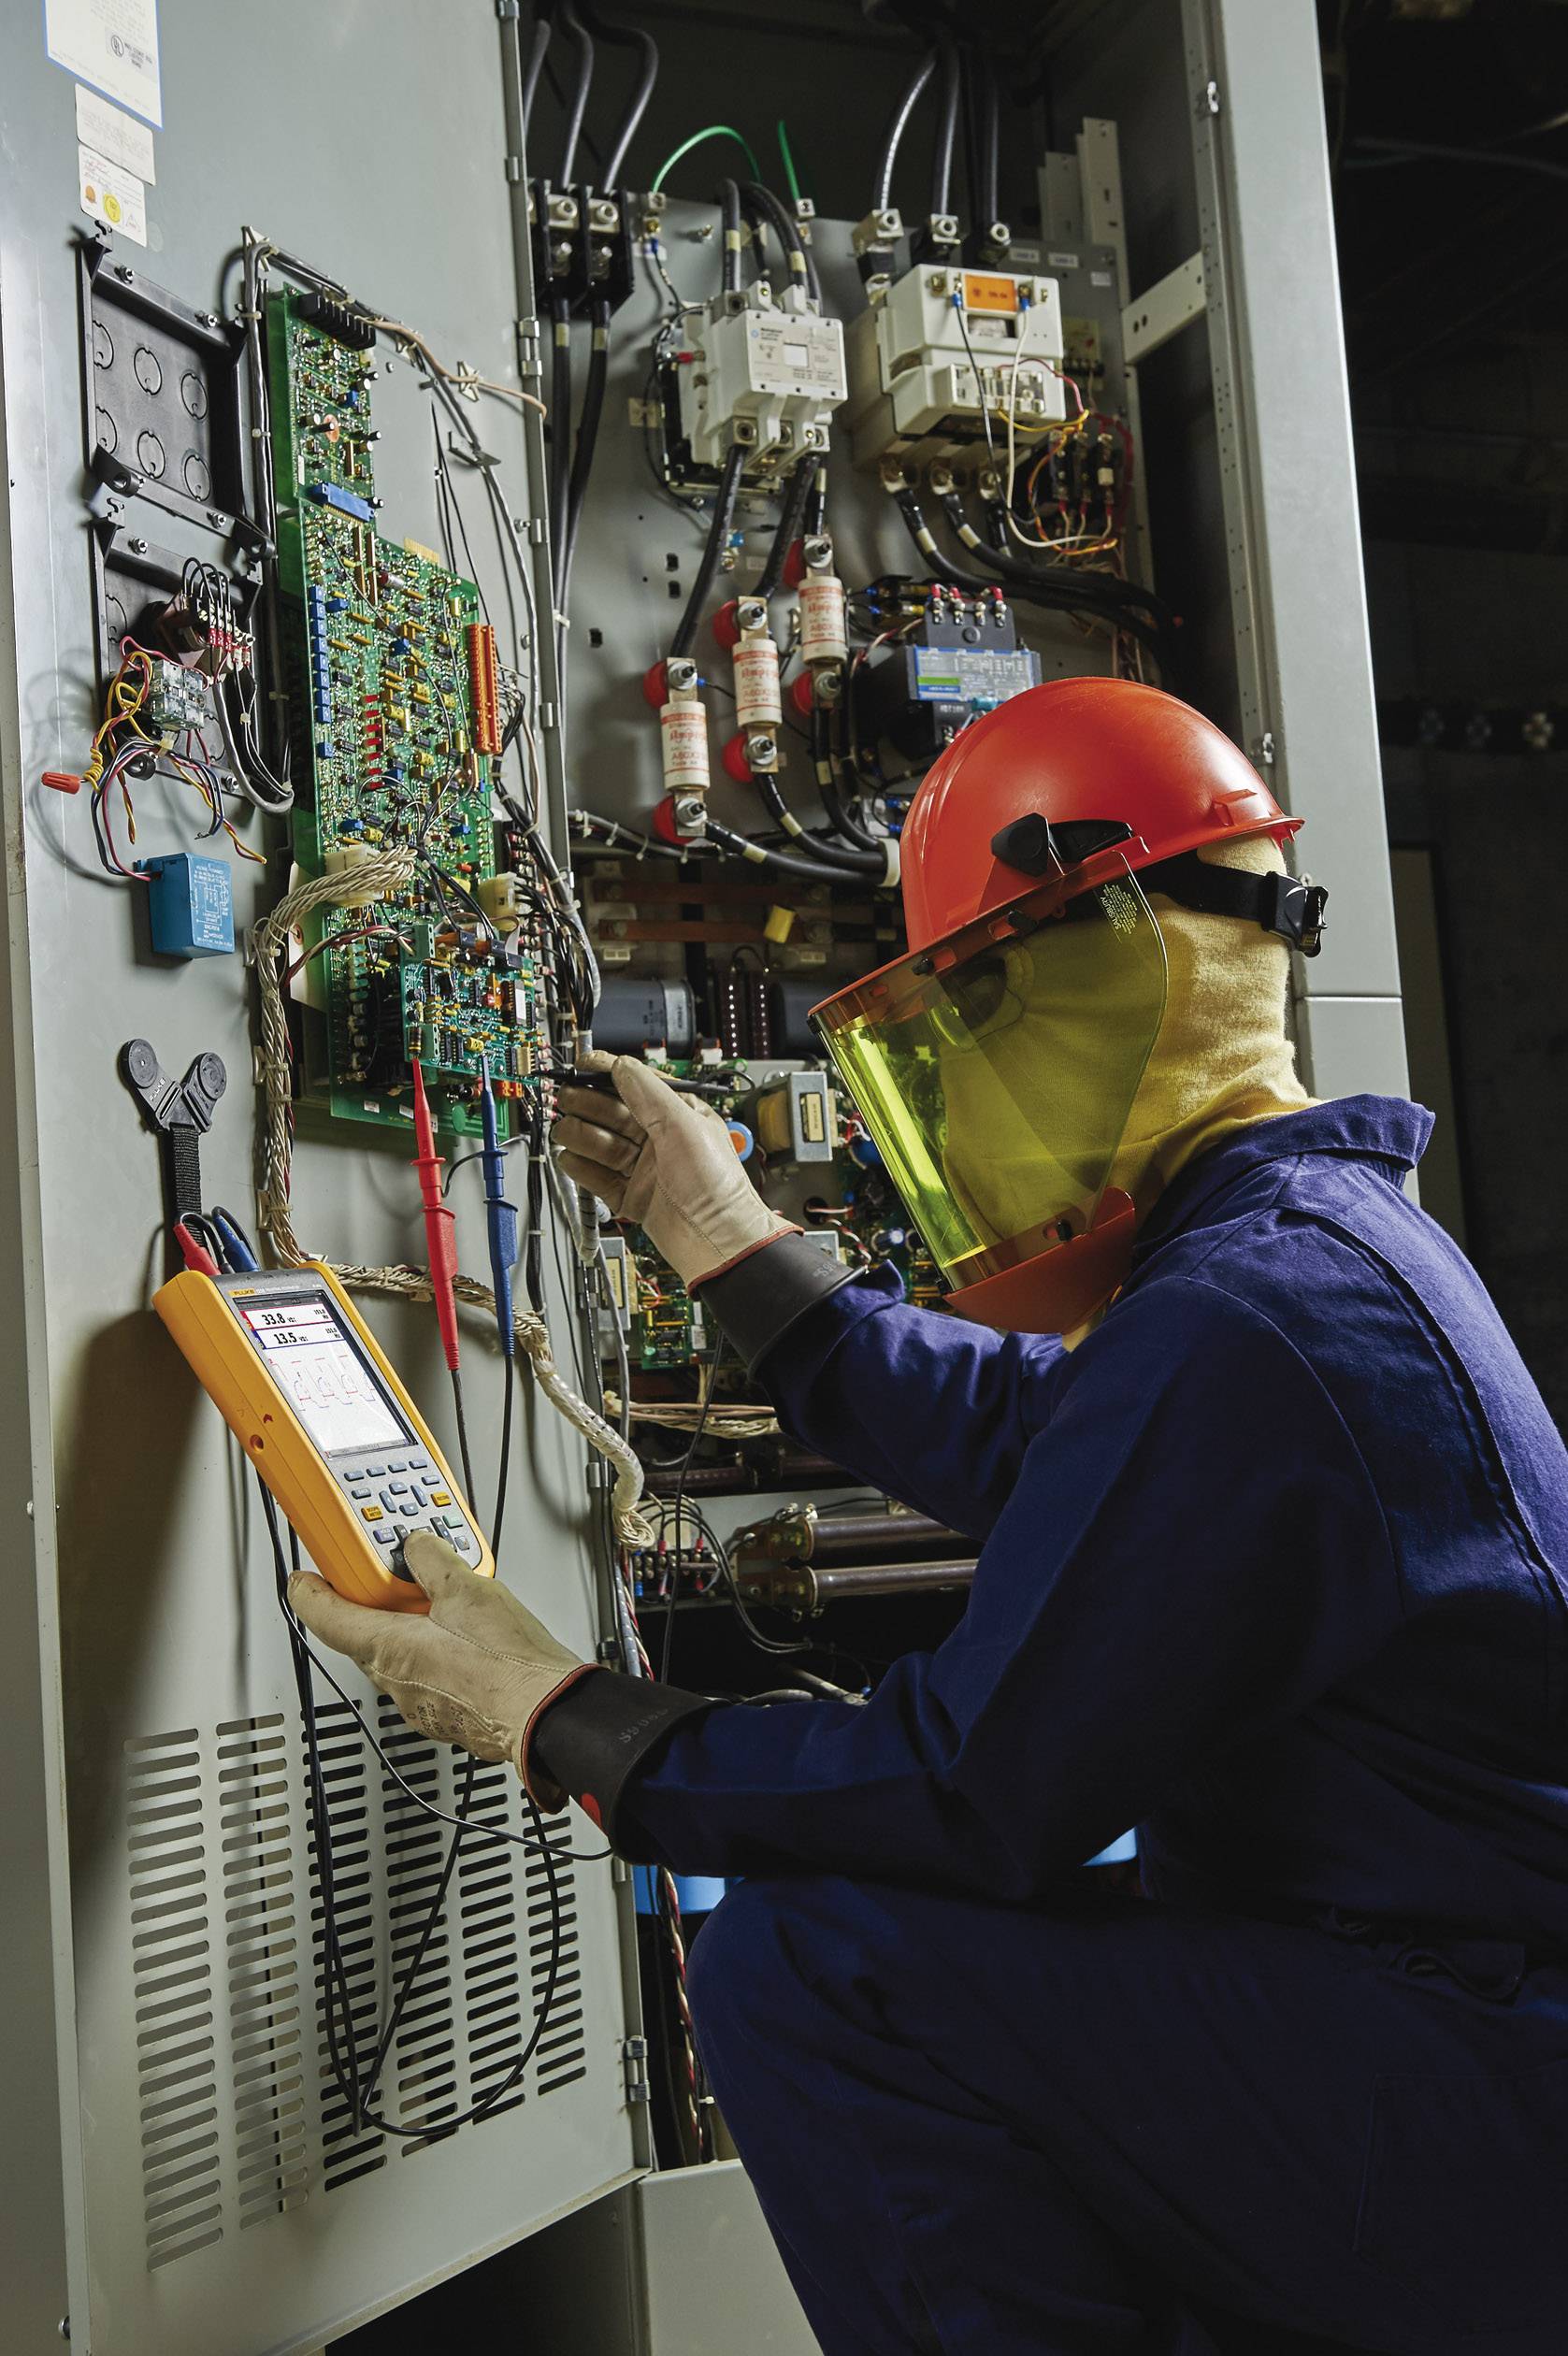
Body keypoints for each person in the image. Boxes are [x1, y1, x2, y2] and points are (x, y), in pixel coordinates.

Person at [293, 680, 1568, 2355]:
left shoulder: (1253, 1313)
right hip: (1450, 2032)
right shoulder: (1303, 1251)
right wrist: (724, 1234)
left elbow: (974, 1792)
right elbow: (1046, 1444)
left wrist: (557, 1713)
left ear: (1119, 973)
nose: (947, 1118)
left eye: (963, 1035)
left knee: (814, 1965)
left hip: (1483, 2102)